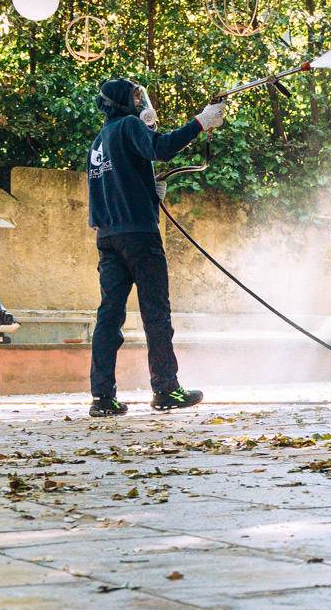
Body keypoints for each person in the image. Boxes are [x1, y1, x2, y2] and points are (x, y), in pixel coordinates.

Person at [87, 77, 227, 417]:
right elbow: (161, 148)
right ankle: (166, 389)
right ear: (123, 100)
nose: (140, 100)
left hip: (108, 239)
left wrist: (152, 190)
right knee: (156, 314)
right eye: (135, 95)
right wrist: (201, 121)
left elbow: (117, 183)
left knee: (109, 317)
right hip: (139, 237)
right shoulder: (129, 125)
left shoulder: (99, 140)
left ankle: (102, 398)